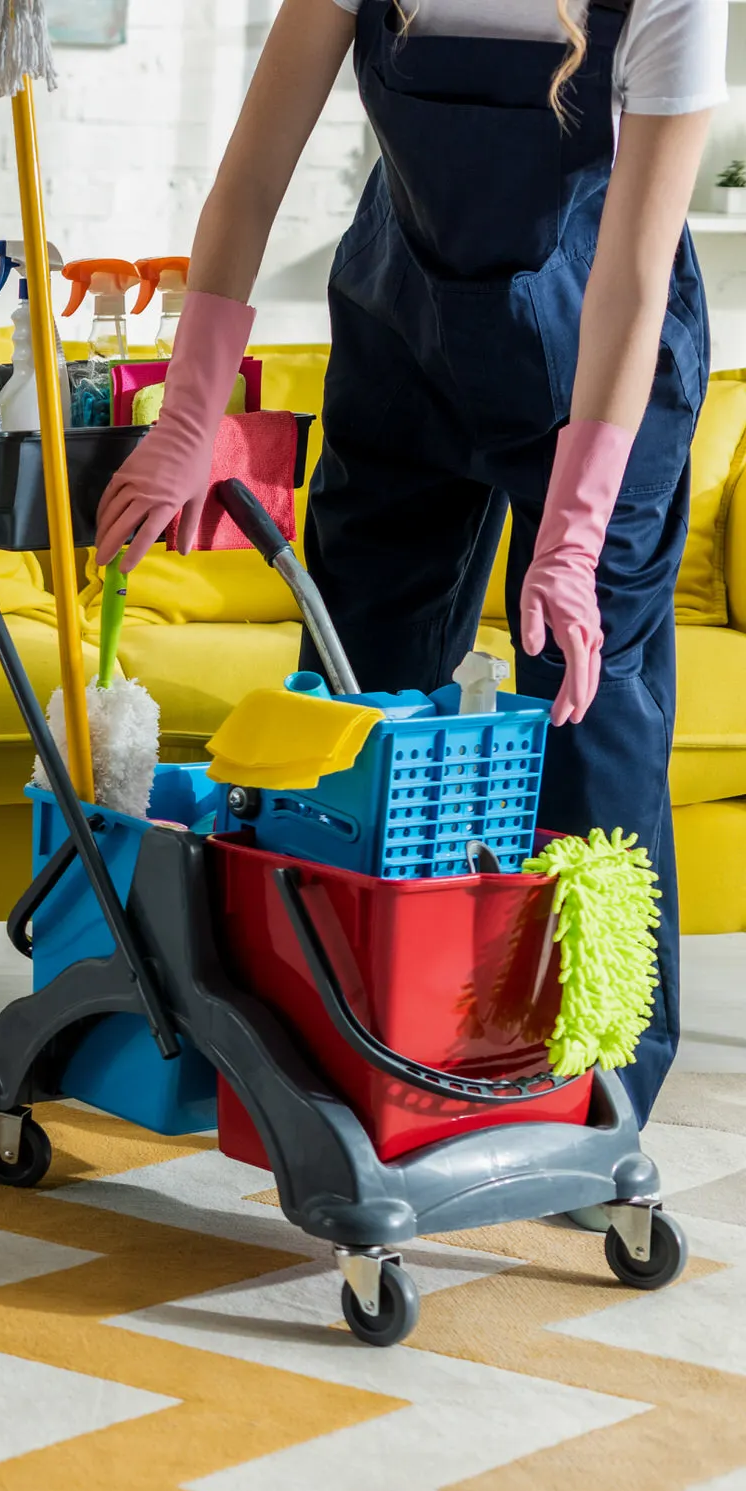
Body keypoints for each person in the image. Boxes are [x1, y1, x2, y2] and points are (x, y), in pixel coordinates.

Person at [97, 0, 716, 1124]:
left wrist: (573, 538)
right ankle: (353, 1040)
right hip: (406, 344)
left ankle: (597, 1090)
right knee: (351, 702)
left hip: (600, 369)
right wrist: (190, 411)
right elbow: (248, 182)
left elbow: (629, 279)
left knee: (585, 716)